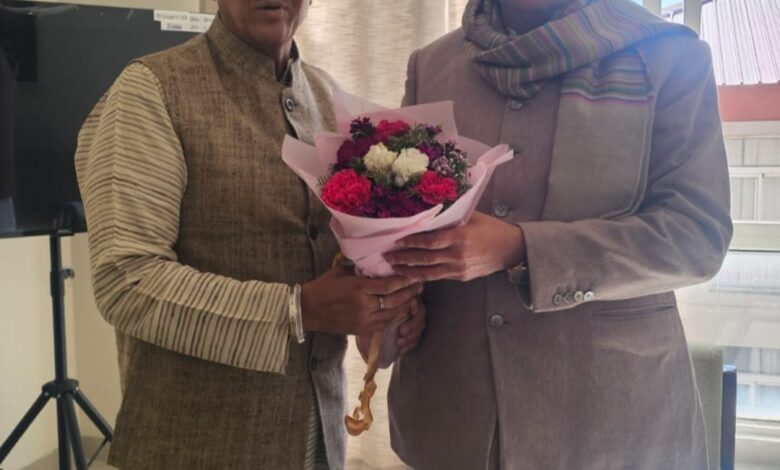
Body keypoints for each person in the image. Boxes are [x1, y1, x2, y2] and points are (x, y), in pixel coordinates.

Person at [74, 1, 425, 468]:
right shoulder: (151, 91)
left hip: (322, 443)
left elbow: (348, 267)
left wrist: (383, 314)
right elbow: (127, 280)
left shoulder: (332, 101)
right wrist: (299, 309)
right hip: (191, 449)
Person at [384, 0, 732, 468]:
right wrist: (392, 305)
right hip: (452, 419)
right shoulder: (431, 67)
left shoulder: (667, 56)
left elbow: (697, 235)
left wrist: (520, 248)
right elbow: (402, 212)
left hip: (609, 428)